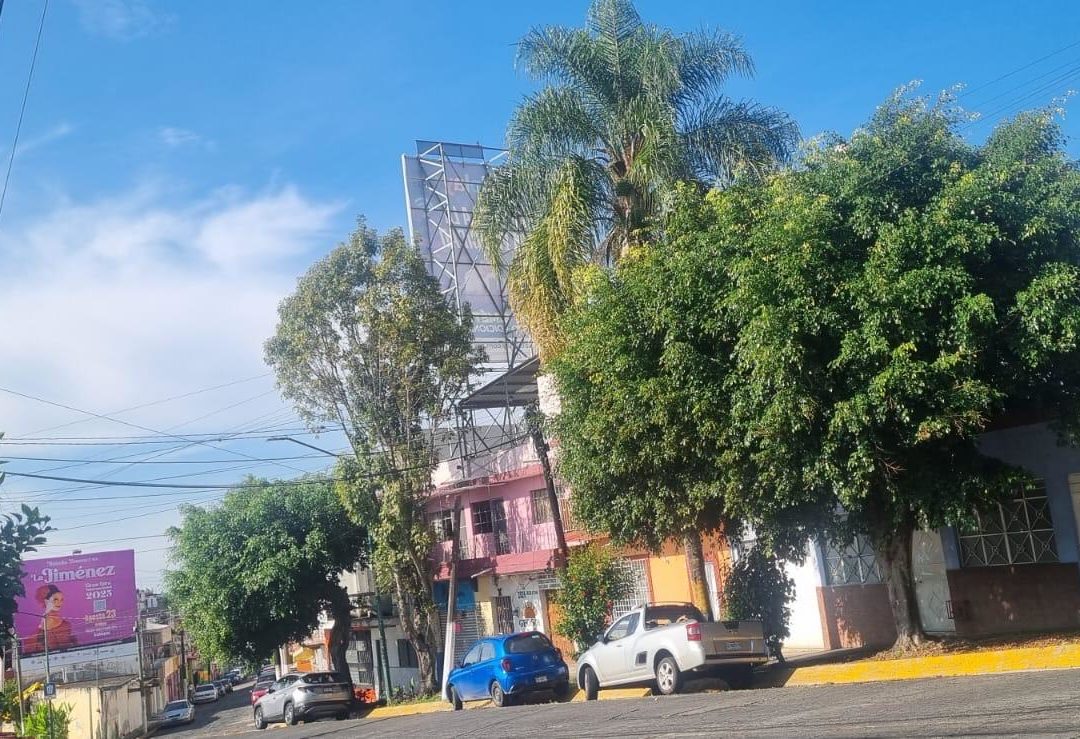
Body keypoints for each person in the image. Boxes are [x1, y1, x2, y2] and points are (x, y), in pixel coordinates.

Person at [24, 584, 79, 654]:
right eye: (55, 599)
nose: (59, 602)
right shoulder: (46, 622)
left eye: (61, 600)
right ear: (46, 601)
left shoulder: (64, 623)